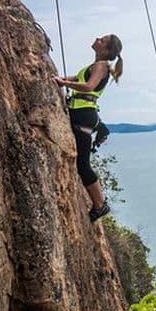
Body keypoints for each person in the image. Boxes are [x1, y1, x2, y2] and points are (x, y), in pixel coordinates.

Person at [54, 34, 123, 222]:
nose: (97, 38)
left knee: (83, 165)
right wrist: (62, 79)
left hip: (84, 115)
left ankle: (100, 204)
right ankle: (100, 203)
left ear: (106, 50)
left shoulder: (101, 66)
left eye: (102, 40)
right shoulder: (95, 66)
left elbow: (89, 86)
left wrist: (64, 83)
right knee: (82, 163)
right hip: (82, 113)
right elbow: (78, 77)